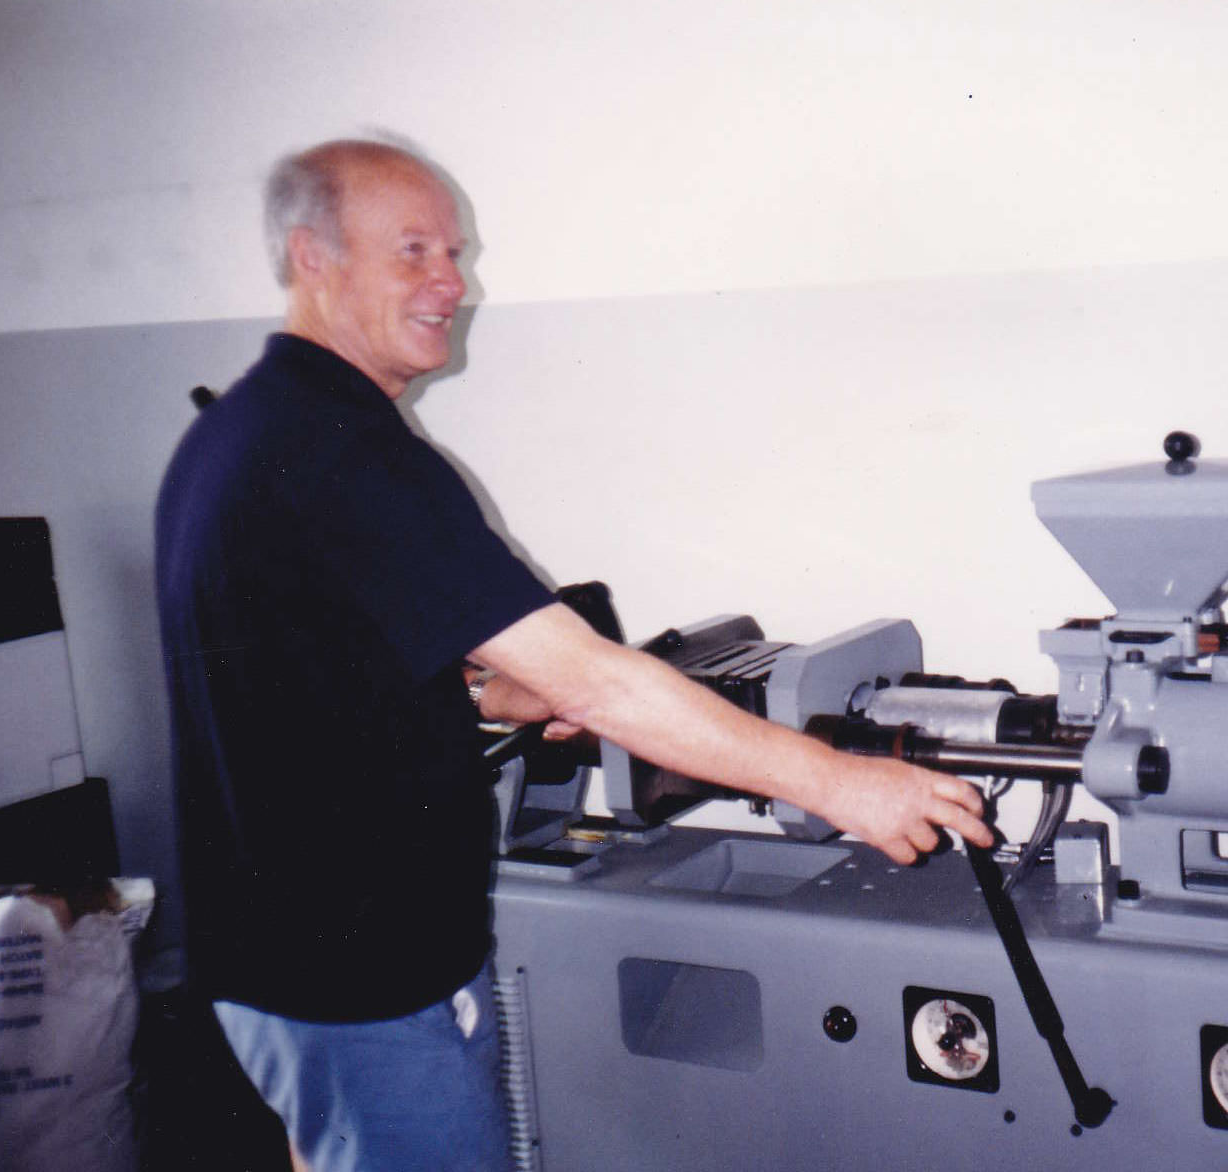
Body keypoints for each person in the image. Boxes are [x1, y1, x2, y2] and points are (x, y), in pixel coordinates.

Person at [154, 139, 990, 1172]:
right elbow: (593, 678)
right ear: (311, 257)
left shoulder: (239, 431)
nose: (452, 283)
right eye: (412, 251)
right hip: (364, 978)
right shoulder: (347, 452)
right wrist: (836, 781)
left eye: (456, 254)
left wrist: (481, 691)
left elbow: (302, 665)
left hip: (280, 960)